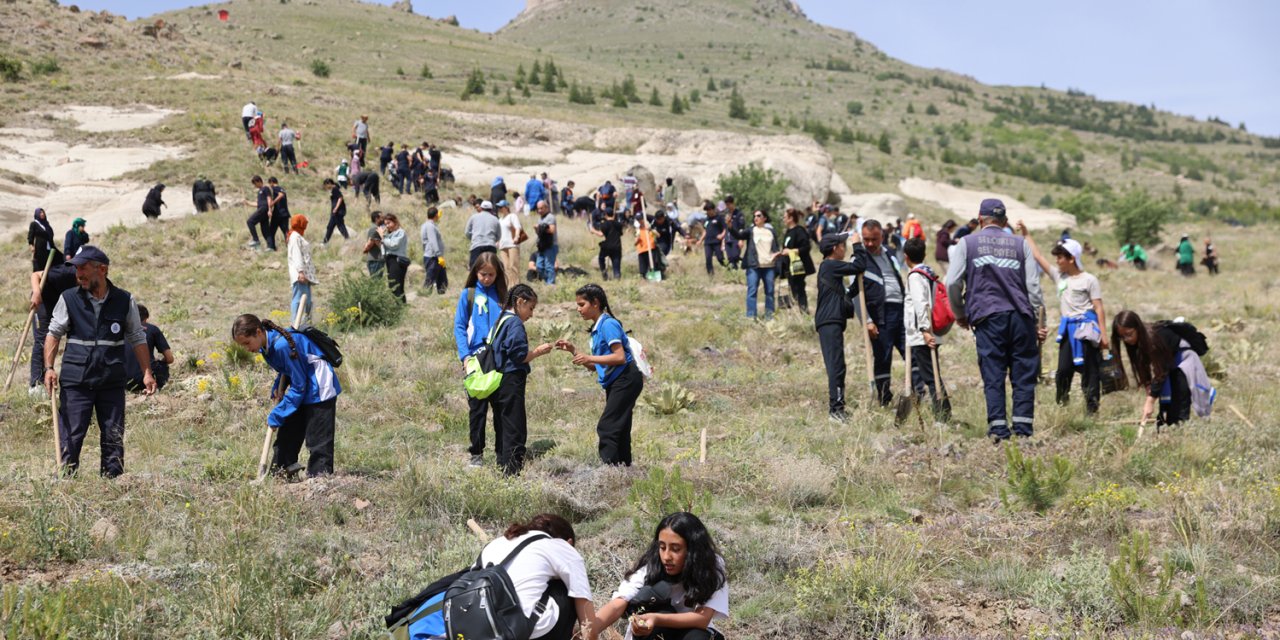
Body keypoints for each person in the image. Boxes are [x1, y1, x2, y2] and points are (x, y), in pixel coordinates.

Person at [43, 246, 155, 477]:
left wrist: (147, 372)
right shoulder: (69, 298)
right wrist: (49, 368)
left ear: (102, 269)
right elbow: (54, 333)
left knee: (113, 433)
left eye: (83, 268)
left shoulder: (124, 300)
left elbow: (136, 337)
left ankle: (113, 482)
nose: (78, 274)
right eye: (76, 269)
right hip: (77, 380)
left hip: (111, 380)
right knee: (72, 434)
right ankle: (65, 478)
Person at [945, 199, 1046, 443]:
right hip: (1020, 316)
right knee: (1023, 374)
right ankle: (1023, 431)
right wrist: (1037, 320)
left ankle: (999, 431)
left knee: (994, 373)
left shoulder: (967, 243)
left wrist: (960, 313)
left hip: (988, 317)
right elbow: (1033, 286)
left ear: (980, 220)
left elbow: (952, 282)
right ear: (1004, 221)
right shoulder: (1020, 244)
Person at [232, 313, 341, 477]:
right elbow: (288, 368)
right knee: (288, 429)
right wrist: (278, 386)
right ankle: (282, 471)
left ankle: (320, 478)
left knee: (317, 437)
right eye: (243, 346)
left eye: (247, 343)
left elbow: (299, 386)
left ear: (258, 332)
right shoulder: (267, 346)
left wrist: (278, 413)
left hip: (319, 385)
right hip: (303, 381)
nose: (247, 348)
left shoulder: (282, 345)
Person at [593, 512, 729, 640]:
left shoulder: (711, 566)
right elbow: (618, 604)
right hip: (653, 632)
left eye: (675, 549)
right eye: (662, 547)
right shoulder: (651, 566)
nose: (666, 557)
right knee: (647, 596)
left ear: (693, 550)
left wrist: (656, 618)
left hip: (691, 633)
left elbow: (702, 619)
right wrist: (589, 631)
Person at [555, 284, 643, 466]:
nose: (578, 310)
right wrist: (574, 351)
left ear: (595, 303)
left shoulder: (608, 324)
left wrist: (588, 356)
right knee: (620, 427)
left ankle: (609, 472)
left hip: (625, 378)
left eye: (581, 304)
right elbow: (595, 366)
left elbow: (619, 357)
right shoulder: (597, 328)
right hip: (617, 380)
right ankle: (624, 470)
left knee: (607, 427)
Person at [477, 514, 598, 640]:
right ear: (569, 542)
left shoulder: (497, 543)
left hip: (475, 628)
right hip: (519, 632)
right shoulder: (562, 546)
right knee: (565, 587)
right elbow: (589, 627)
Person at [1025, 235, 1107, 415]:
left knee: (1089, 372)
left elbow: (1099, 307)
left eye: (1061, 257)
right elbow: (1038, 256)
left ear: (1072, 259)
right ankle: (1062, 406)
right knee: (1063, 370)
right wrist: (1026, 234)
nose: (1057, 261)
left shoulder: (1089, 280)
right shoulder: (1059, 277)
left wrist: (1104, 335)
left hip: (1086, 330)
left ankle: (1091, 411)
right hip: (1068, 331)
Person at [490, 284, 554, 474]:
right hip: (511, 380)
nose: (531, 314)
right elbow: (518, 355)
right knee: (514, 426)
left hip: (496, 379)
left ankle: (502, 464)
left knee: (501, 424)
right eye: (531, 308)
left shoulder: (500, 320)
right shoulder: (515, 323)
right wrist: (537, 352)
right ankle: (512, 470)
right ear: (520, 302)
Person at [454, 253, 508, 467]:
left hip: (498, 359)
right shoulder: (468, 294)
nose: (487, 278)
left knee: (500, 410)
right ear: (475, 272)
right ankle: (476, 454)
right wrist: (465, 356)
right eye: (483, 274)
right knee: (477, 410)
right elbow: (459, 326)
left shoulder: (503, 295)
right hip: (475, 360)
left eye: (491, 274)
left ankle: (501, 454)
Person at [849, 220, 906, 406]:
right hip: (880, 313)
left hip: (902, 310)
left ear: (882, 236)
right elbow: (855, 293)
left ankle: (918, 392)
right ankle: (883, 397)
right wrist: (867, 320)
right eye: (866, 239)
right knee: (883, 356)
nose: (870, 243)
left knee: (913, 352)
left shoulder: (890, 253)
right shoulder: (859, 258)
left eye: (874, 239)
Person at [1111, 311, 1199, 428]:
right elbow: (1142, 363)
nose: (1126, 339)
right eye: (1122, 337)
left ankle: (1180, 428)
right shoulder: (1135, 342)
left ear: (1138, 328)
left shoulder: (1154, 338)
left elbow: (1161, 371)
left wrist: (1150, 401)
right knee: (1165, 399)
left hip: (1183, 356)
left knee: (1179, 397)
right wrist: (1148, 385)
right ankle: (1165, 426)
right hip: (1169, 359)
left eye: (1129, 334)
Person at [902, 238, 951, 420]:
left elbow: (920, 303)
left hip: (923, 333)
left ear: (906, 257)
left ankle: (943, 415)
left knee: (931, 376)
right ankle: (942, 412)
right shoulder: (929, 273)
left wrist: (924, 330)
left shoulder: (916, 276)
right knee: (932, 372)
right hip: (931, 331)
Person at [27, 250, 77, 396]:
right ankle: (36, 384)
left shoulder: (92, 281)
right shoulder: (66, 272)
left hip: (61, 303)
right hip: (43, 300)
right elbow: (35, 275)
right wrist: (36, 292)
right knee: (43, 338)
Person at [730, 210, 779, 319]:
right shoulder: (751, 231)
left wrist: (777, 257)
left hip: (769, 266)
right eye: (754, 216)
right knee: (752, 291)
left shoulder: (771, 231)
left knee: (770, 292)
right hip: (754, 266)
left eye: (758, 216)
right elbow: (738, 235)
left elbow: (776, 248)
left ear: (764, 218)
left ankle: (769, 317)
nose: (755, 218)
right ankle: (751, 317)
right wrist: (730, 226)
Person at [124, 304, 174, 392]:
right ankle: (157, 387)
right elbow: (169, 358)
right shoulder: (152, 329)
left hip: (124, 382)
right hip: (147, 380)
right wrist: (160, 361)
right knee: (162, 365)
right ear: (146, 318)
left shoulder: (120, 331)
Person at [781, 207, 815, 314]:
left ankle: (804, 312)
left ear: (791, 218)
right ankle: (798, 311)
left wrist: (791, 251)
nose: (783, 219)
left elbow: (806, 247)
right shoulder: (788, 232)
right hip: (789, 264)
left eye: (785, 217)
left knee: (799, 287)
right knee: (793, 288)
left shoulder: (799, 231)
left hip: (798, 264)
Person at [287, 214, 317, 325]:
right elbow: (297, 255)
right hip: (300, 275)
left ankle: (306, 324)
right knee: (299, 299)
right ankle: (296, 324)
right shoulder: (294, 237)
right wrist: (300, 272)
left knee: (307, 301)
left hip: (304, 275)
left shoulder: (297, 236)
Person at [381, 213, 409, 303]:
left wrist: (383, 238)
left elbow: (394, 245)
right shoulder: (389, 234)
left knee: (396, 285)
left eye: (389, 223)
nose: (387, 226)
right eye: (385, 224)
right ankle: (399, 307)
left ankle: (401, 307)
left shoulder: (400, 232)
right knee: (392, 285)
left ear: (395, 222)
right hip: (389, 260)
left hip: (397, 260)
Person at [465, 200, 502, 267]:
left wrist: (474, 238)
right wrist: (492, 239)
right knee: (490, 267)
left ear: (481, 208)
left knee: (474, 268)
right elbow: (499, 235)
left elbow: (467, 232)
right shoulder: (495, 219)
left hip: (477, 245)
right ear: (491, 209)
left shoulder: (473, 217)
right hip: (491, 246)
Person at [591, 207, 624, 281]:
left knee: (601, 258)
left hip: (607, 246)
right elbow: (621, 234)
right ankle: (617, 277)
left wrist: (593, 231)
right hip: (617, 246)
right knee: (616, 264)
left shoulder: (604, 224)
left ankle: (604, 273)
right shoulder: (619, 224)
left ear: (606, 215)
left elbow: (601, 234)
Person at [421, 207, 448, 295]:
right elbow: (433, 241)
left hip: (436, 256)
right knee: (430, 279)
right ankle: (425, 296)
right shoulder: (430, 226)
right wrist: (439, 255)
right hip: (433, 257)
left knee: (442, 279)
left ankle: (441, 296)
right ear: (436, 215)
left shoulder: (431, 225)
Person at [696, 201, 727, 276]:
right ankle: (711, 275)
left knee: (720, 258)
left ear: (713, 209)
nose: (707, 212)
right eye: (706, 211)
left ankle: (729, 268)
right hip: (708, 243)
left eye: (708, 210)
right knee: (708, 258)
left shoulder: (719, 218)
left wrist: (722, 235)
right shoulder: (706, 220)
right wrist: (700, 240)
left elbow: (725, 228)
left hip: (717, 242)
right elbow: (705, 231)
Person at [498, 200, 524, 286]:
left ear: (506, 207)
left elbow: (517, 227)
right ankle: (509, 286)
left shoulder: (512, 216)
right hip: (503, 245)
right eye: (499, 207)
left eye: (501, 207)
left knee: (513, 266)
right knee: (506, 267)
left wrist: (516, 237)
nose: (499, 209)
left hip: (512, 244)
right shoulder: (500, 219)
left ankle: (516, 285)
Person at [246, 176, 274, 250]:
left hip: (264, 209)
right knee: (265, 230)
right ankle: (271, 247)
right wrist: (248, 203)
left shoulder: (265, 188)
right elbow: (258, 204)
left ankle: (256, 240)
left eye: (255, 183)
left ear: (259, 181)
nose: (254, 186)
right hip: (262, 209)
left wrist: (269, 210)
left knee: (250, 221)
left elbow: (269, 199)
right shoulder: (259, 191)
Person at [535, 200, 559, 284]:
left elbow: (552, 230)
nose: (539, 211)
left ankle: (550, 284)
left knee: (549, 266)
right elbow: (539, 233)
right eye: (538, 209)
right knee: (539, 266)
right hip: (541, 245)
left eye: (541, 208)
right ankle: (547, 281)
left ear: (546, 208)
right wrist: (537, 229)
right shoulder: (540, 218)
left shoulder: (550, 217)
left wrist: (542, 227)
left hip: (550, 245)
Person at [267, 177, 292, 248]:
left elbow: (281, 195)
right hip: (284, 214)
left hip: (278, 214)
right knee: (286, 232)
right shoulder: (282, 188)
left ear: (271, 182)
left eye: (270, 184)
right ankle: (290, 247)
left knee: (271, 232)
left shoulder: (275, 189)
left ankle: (272, 247)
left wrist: (272, 203)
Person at [322, 178, 349, 243]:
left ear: (329, 183)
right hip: (335, 212)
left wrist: (336, 208)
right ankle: (325, 242)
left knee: (340, 226)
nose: (326, 187)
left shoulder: (335, 189)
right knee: (330, 227)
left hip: (338, 212)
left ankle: (347, 239)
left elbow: (340, 198)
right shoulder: (334, 188)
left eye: (326, 185)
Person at [722, 196, 744, 270]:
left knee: (735, 256)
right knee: (730, 258)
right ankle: (732, 273)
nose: (728, 206)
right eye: (726, 205)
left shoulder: (739, 214)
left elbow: (741, 227)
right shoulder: (726, 214)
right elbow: (725, 228)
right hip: (727, 239)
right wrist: (723, 239)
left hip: (736, 239)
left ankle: (742, 262)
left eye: (729, 204)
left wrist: (741, 239)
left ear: (733, 203)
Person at [363, 210, 384, 276]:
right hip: (375, 260)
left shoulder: (377, 228)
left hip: (376, 260)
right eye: (381, 218)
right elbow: (371, 242)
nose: (383, 219)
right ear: (376, 219)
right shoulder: (375, 228)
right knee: (376, 282)